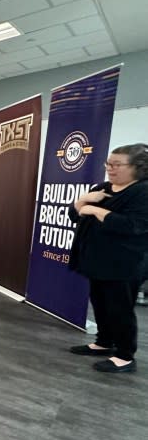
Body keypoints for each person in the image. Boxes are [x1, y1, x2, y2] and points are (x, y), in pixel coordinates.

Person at [68, 144, 148, 373]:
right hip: (97, 260)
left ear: (137, 167)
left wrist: (94, 210)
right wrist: (83, 200)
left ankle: (125, 355)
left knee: (120, 308)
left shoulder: (142, 191)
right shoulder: (103, 188)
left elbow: (133, 226)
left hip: (124, 262)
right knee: (100, 303)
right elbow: (74, 214)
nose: (110, 169)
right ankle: (104, 342)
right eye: (108, 164)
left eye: (116, 165)